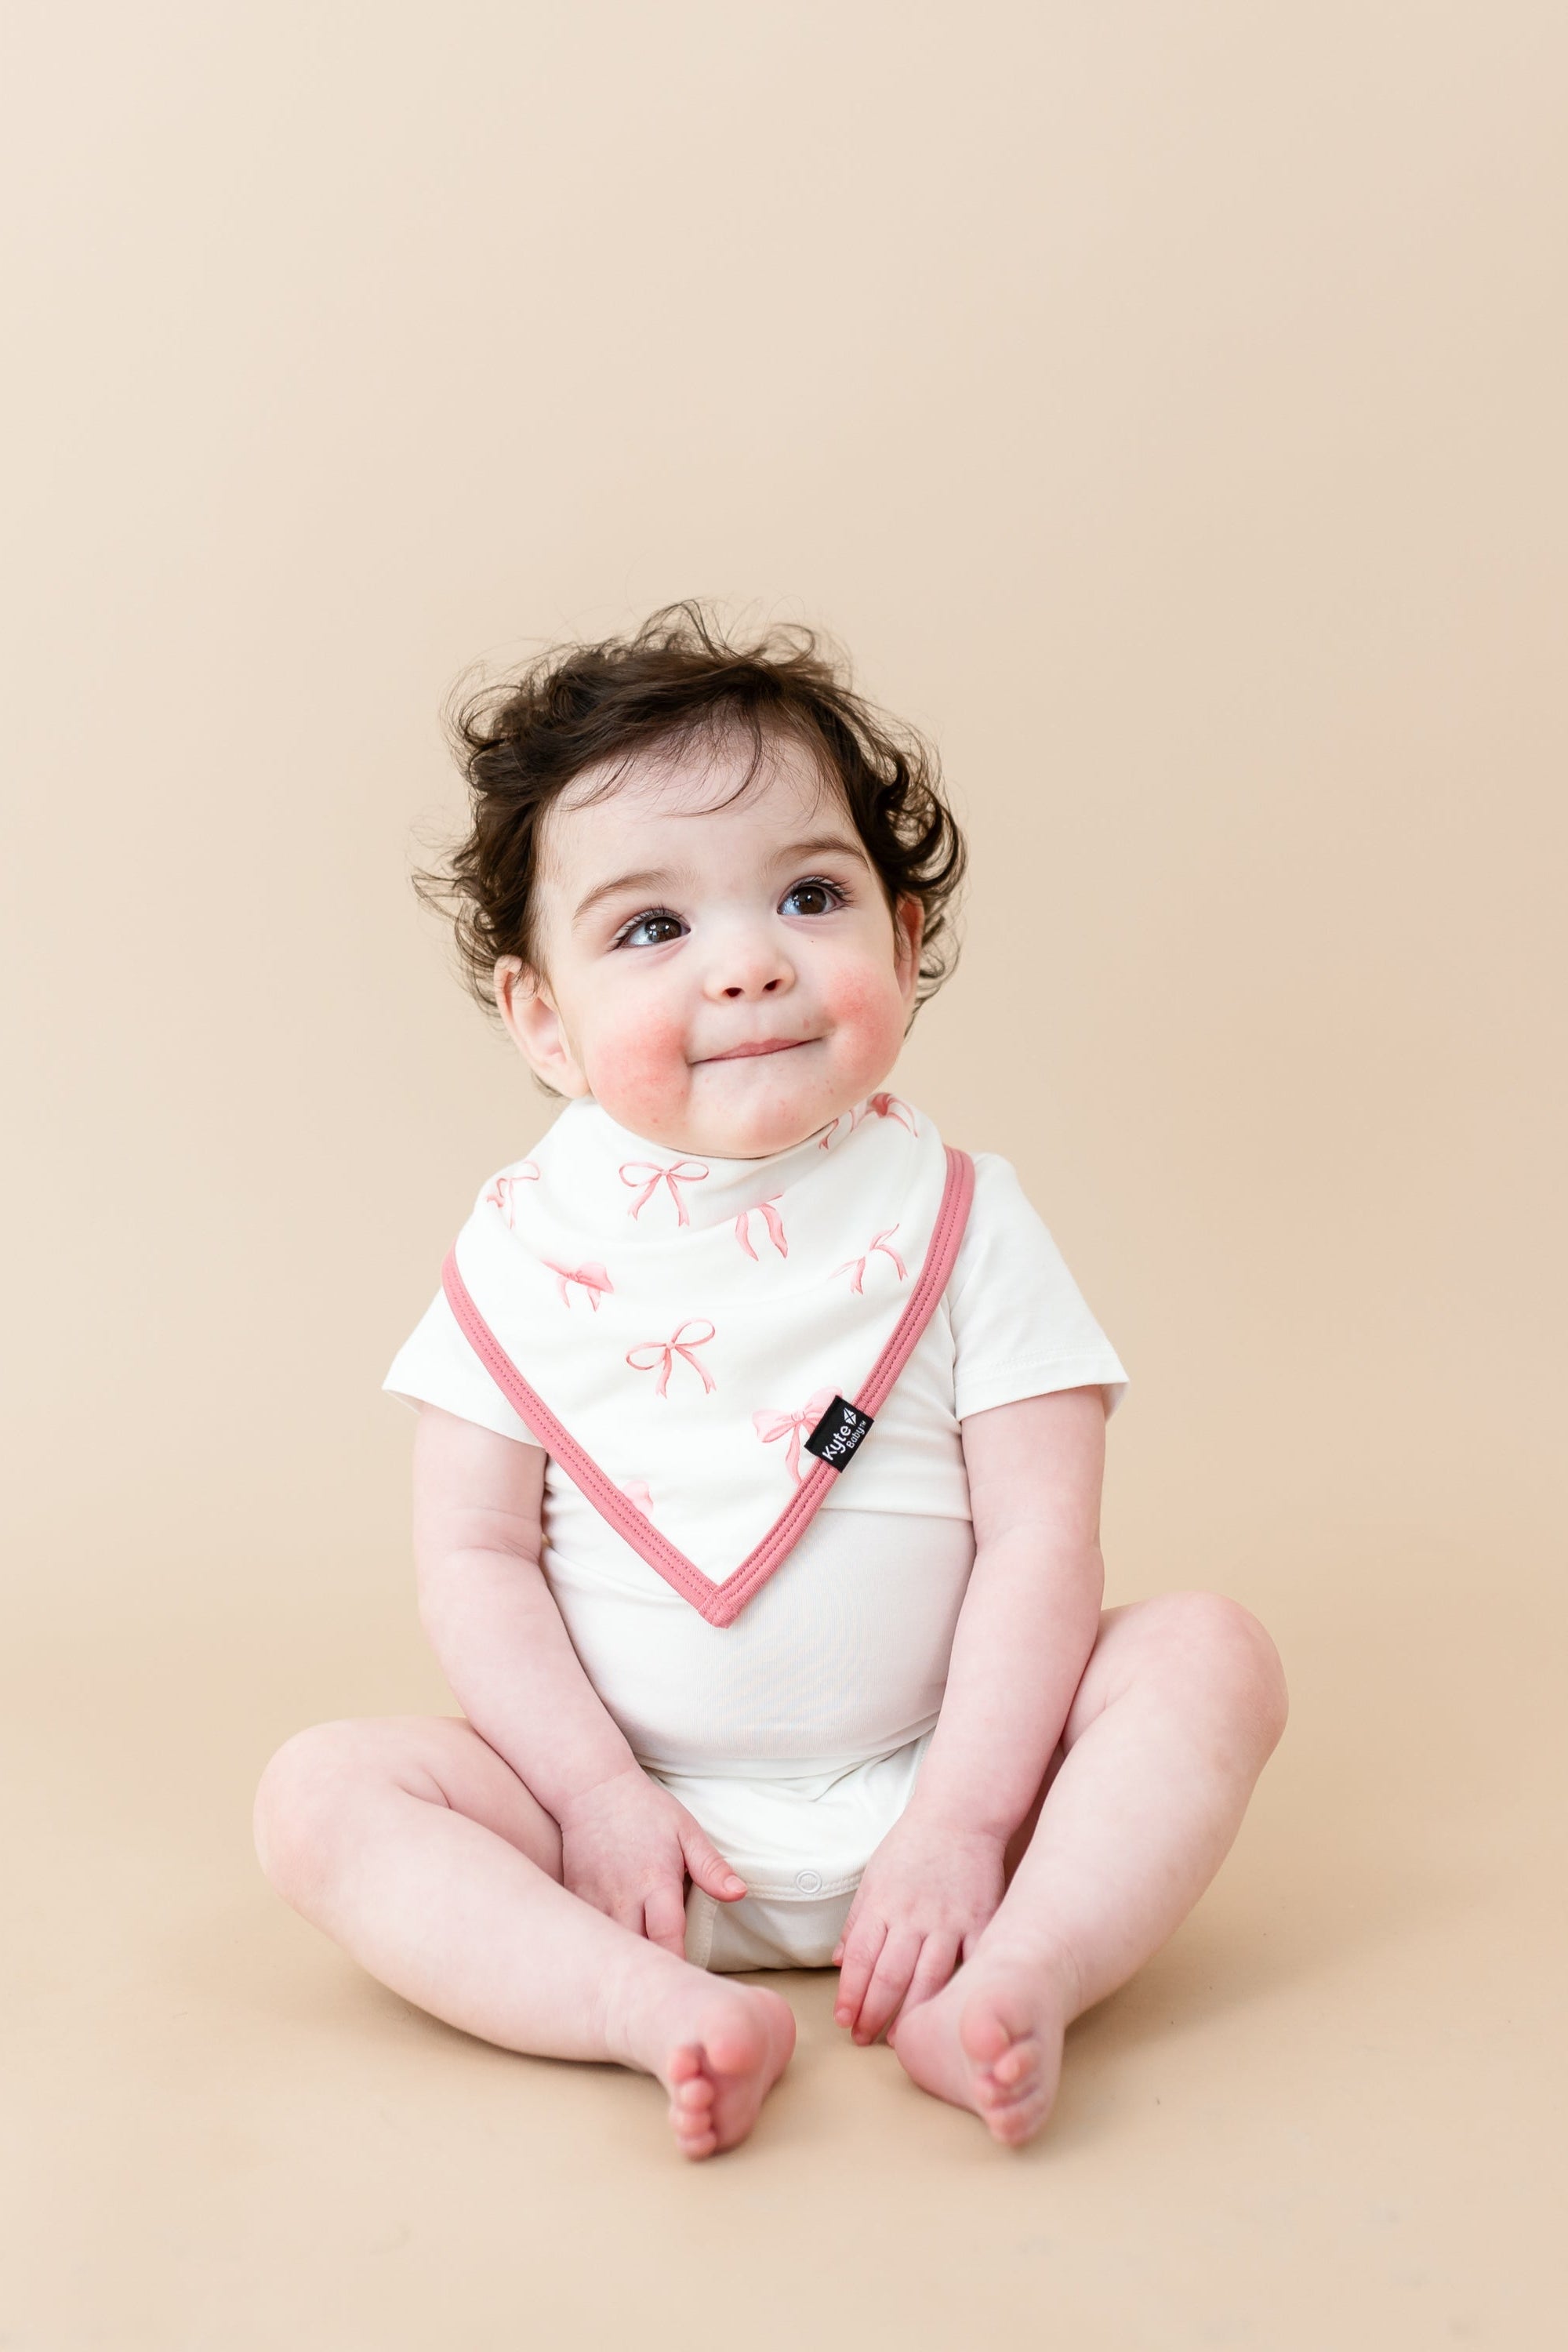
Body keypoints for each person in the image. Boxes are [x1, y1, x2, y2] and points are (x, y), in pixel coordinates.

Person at [254, 604, 1287, 2159]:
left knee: (1210, 1656)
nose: (749, 965)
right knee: (321, 1797)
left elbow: (1039, 1539)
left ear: (904, 941)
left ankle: (1017, 1976)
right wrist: (598, 1801)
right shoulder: (528, 1259)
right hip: (635, 1839)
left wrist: (960, 1823)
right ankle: (643, 2008)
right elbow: (473, 1559)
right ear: (542, 1021)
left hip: (962, 1803)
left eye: (810, 895)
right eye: (650, 928)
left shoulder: (960, 1221)